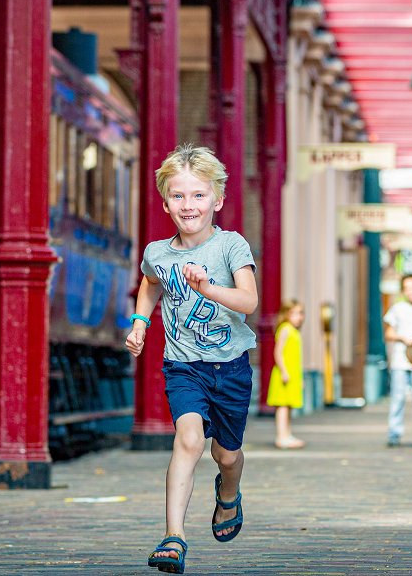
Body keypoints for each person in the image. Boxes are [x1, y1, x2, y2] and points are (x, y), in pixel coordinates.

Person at [126, 144, 260, 574]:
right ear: (166, 203)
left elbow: (249, 301)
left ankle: (229, 494)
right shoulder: (157, 253)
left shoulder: (231, 246)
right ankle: (174, 536)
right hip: (183, 366)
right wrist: (140, 324)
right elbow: (151, 283)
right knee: (188, 440)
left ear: (217, 200)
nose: (189, 205)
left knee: (226, 456)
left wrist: (207, 289)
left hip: (231, 367)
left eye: (199, 195)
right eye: (178, 196)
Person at [382, 274, 412, 447]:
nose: (411, 292)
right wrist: (402, 338)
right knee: (398, 398)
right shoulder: (397, 308)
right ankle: (394, 433)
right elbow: (388, 333)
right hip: (400, 360)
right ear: (403, 291)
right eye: (407, 288)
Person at [266, 299, 306, 449]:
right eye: (294, 313)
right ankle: (281, 436)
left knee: (289, 406)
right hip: (284, 374)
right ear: (286, 314)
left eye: (300, 313)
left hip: (293, 374)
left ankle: (287, 434)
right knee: (282, 407)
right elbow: (278, 352)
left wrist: (300, 378)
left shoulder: (294, 331)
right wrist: (283, 371)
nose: (298, 317)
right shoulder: (285, 329)